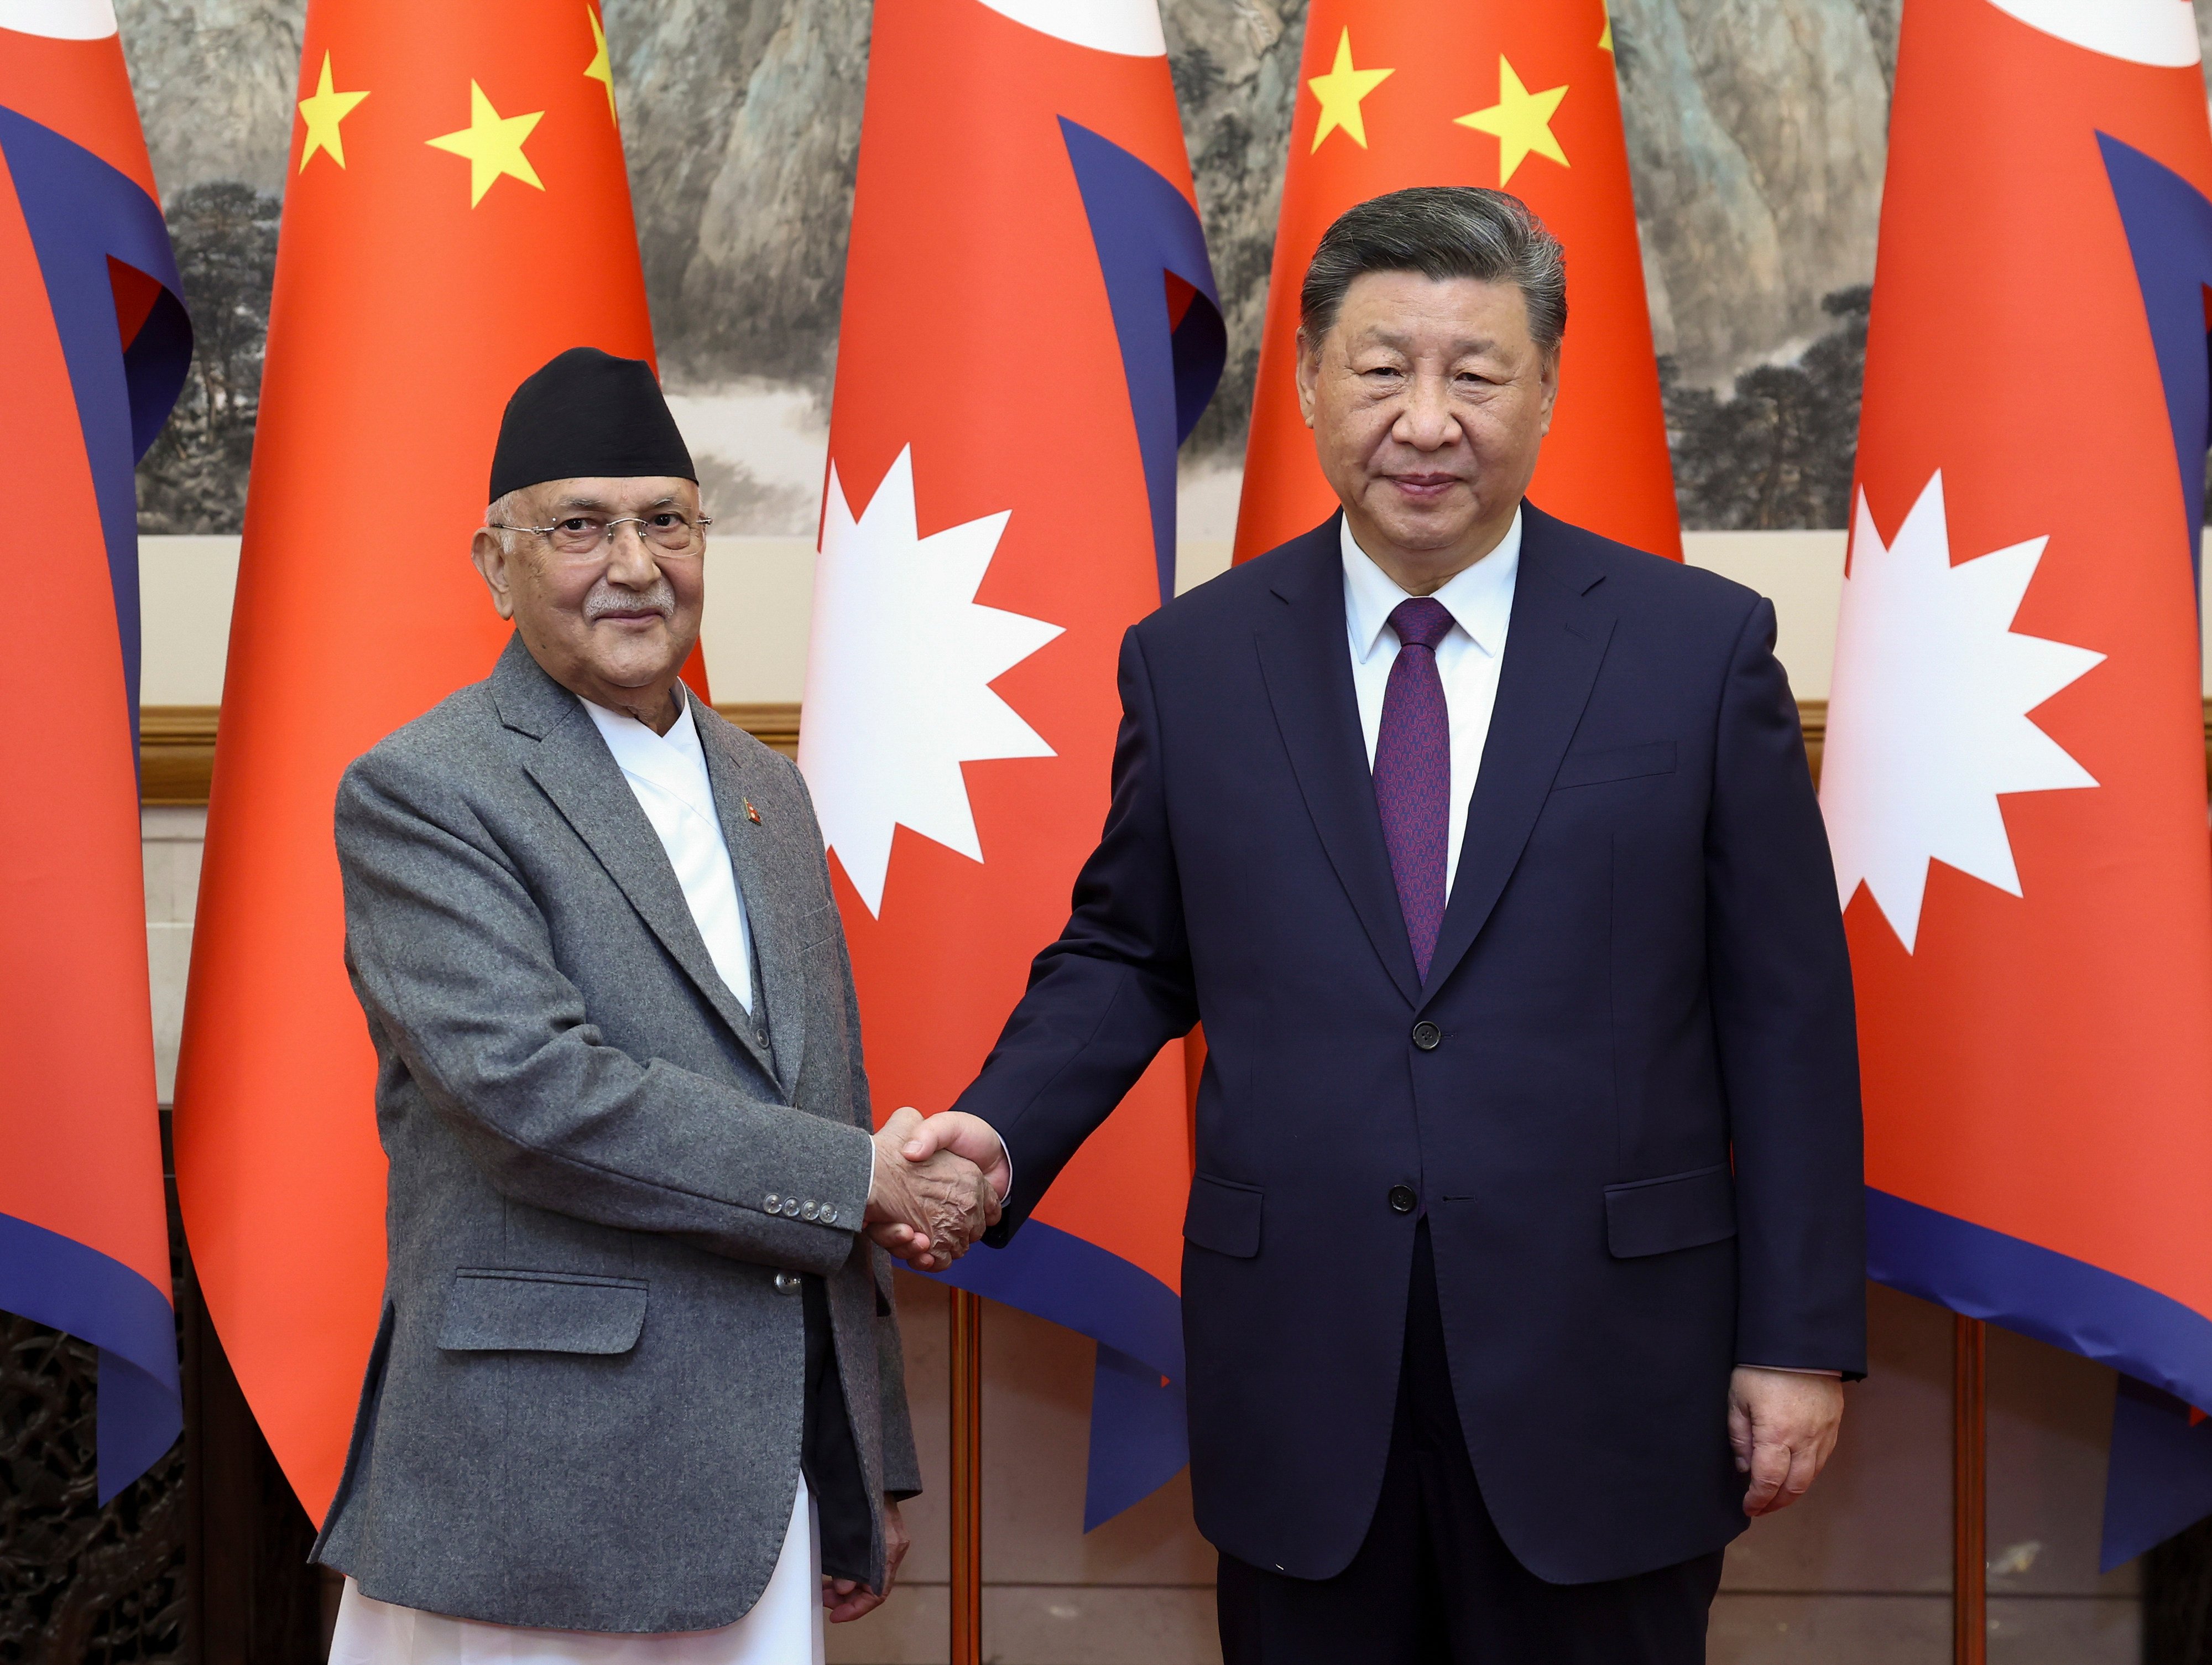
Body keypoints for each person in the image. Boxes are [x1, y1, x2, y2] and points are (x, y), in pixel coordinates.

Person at [895, 188, 1867, 1663]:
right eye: (1381, 368)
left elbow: (1787, 1019)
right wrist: (1002, 1127)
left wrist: (1795, 1338)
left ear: (1545, 389)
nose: (1427, 419)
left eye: (1475, 374)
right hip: (1305, 1375)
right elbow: (1130, 951)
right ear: (1306, 383)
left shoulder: (1694, 650)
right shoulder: (1196, 664)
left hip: (1608, 1373)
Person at [313, 346, 997, 1661]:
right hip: (536, 1484)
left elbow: (821, 1097)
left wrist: (866, 1454)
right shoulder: (425, 789)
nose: (633, 565)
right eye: (579, 525)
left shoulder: (768, 788)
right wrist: (862, 1176)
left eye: (665, 522)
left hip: (763, 1484)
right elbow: (535, 1099)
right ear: (493, 561)